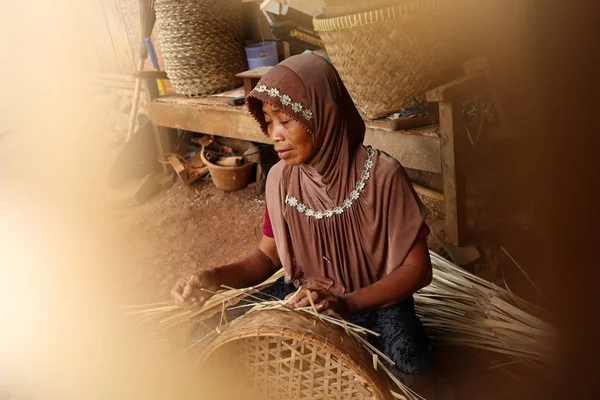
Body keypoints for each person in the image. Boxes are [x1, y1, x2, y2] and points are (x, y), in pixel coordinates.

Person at [171, 53, 433, 383]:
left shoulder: (382, 175)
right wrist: (213, 277)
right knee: (206, 334)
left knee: (411, 367)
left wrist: (347, 303)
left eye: (285, 120)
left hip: (376, 302)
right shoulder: (282, 179)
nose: (274, 134)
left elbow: (418, 269)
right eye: (268, 121)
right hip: (307, 298)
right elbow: (266, 257)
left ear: (325, 114)